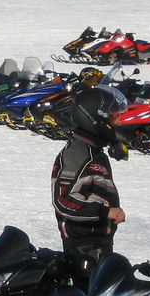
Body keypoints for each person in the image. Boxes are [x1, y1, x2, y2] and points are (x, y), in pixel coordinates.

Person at [51, 85, 128, 268]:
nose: (117, 122)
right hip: (82, 246)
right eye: (113, 117)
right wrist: (104, 211)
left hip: (98, 242)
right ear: (96, 119)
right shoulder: (77, 154)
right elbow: (63, 199)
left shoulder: (95, 152)